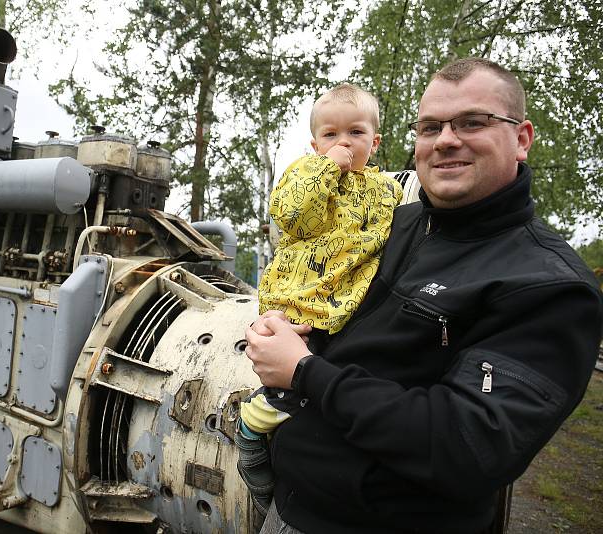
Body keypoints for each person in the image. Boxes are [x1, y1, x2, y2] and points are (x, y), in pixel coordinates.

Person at [244, 57, 603, 533]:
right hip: (291, 508)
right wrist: (281, 325)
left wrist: (306, 372)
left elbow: (468, 446)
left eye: (473, 122)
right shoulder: (390, 224)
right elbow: (319, 279)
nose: (446, 139)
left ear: (521, 139)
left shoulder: (549, 286)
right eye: (430, 126)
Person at [237, 84, 402, 516]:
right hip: (300, 307)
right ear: (315, 144)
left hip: (349, 312)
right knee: (262, 421)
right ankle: (261, 492)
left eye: (355, 133)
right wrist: (325, 169)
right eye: (330, 135)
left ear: (375, 141)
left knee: (311, 409)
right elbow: (292, 216)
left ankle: (291, 470)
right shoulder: (305, 175)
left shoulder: (387, 191)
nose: (343, 143)